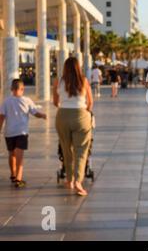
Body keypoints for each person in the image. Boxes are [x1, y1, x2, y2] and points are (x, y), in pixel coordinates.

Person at [53, 57, 93, 196]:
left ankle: (69, 180)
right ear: (78, 67)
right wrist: (83, 111)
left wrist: (65, 107)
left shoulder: (58, 81)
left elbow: (55, 102)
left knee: (66, 149)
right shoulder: (84, 80)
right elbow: (90, 102)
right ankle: (78, 182)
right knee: (81, 151)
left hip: (62, 115)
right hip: (81, 115)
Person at [0, 79, 47, 188]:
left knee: (11, 153)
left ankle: (13, 175)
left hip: (9, 132)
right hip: (22, 132)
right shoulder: (27, 100)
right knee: (19, 156)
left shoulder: (6, 101)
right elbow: (35, 113)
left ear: (11, 89)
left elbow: (1, 117)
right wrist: (43, 115)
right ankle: (18, 179)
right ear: (22, 89)